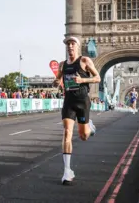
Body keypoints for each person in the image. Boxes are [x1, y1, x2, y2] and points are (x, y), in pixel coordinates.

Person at [53, 36, 100, 185]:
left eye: (72, 44)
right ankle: (67, 171)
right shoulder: (62, 65)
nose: (70, 46)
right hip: (69, 101)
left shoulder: (85, 61)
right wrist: (56, 82)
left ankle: (89, 127)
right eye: (68, 44)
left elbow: (97, 78)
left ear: (77, 46)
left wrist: (83, 80)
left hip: (82, 102)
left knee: (84, 136)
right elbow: (58, 79)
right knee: (67, 132)